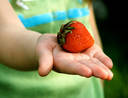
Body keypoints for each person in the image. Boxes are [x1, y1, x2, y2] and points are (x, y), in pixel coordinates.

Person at [0, 0, 113, 98]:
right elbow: (5, 30)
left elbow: (91, 27)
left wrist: (99, 81)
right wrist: (37, 44)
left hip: (85, 91)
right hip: (22, 92)